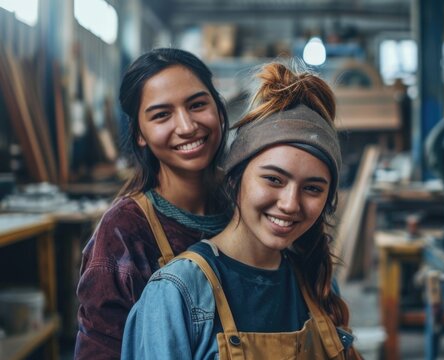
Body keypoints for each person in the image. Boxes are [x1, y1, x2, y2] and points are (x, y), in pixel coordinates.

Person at [122, 62, 361, 359]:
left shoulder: (317, 280)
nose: (290, 203)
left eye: (313, 188)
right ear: (235, 179)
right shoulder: (179, 292)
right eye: (273, 179)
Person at [75, 48, 230, 359]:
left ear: (218, 106)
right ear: (140, 134)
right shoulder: (124, 232)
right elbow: (100, 350)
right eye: (162, 115)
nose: (187, 126)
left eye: (197, 104)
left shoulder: (252, 201)